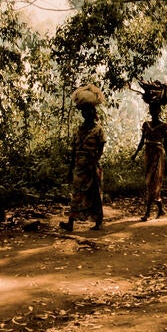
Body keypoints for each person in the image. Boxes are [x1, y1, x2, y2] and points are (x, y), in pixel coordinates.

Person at [62, 84, 105, 232]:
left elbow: (101, 147)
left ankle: (98, 221)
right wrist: (70, 170)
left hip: (92, 167)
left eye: (87, 112)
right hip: (79, 168)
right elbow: (74, 151)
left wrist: (94, 161)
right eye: (83, 113)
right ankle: (70, 222)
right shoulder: (78, 130)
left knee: (95, 194)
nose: (85, 115)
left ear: (92, 113)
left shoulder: (98, 130)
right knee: (76, 195)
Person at [134, 99, 167, 220]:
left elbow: (166, 144)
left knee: (153, 182)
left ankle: (147, 212)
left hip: (158, 155)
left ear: (159, 110)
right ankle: (160, 208)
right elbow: (142, 141)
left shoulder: (163, 126)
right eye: (151, 109)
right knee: (151, 182)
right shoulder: (146, 125)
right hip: (148, 154)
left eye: (156, 109)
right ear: (149, 110)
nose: (153, 111)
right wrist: (135, 154)